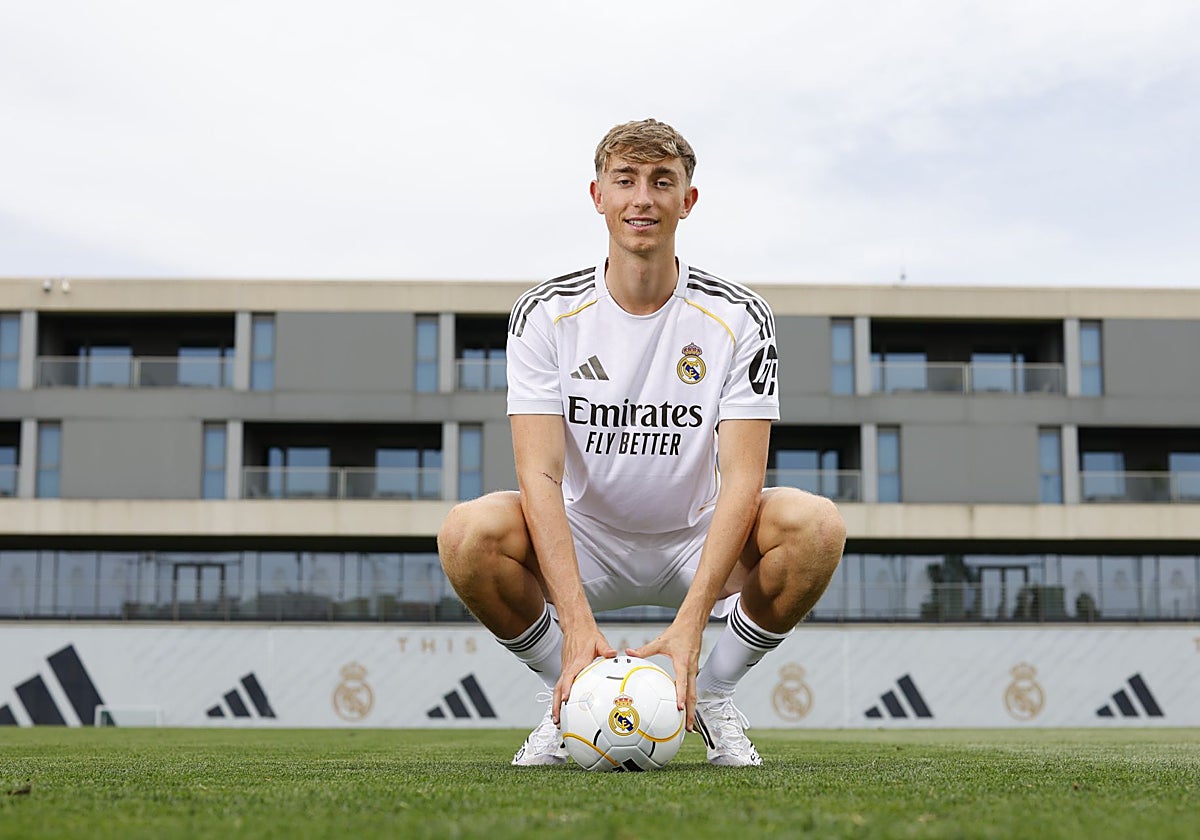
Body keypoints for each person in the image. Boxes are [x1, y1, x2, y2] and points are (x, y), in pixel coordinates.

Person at [438, 118, 845, 767]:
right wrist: (575, 627)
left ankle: (711, 693)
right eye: (625, 180)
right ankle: (570, 692)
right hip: (585, 541)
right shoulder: (543, 313)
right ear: (597, 195)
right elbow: (538, 475)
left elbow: (742, 478)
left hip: (696, 538)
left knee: (817, 527)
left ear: (688, 201)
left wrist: (690, 629)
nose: (643, 199)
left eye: (662, 182)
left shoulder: (740, 315)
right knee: (466, 533)